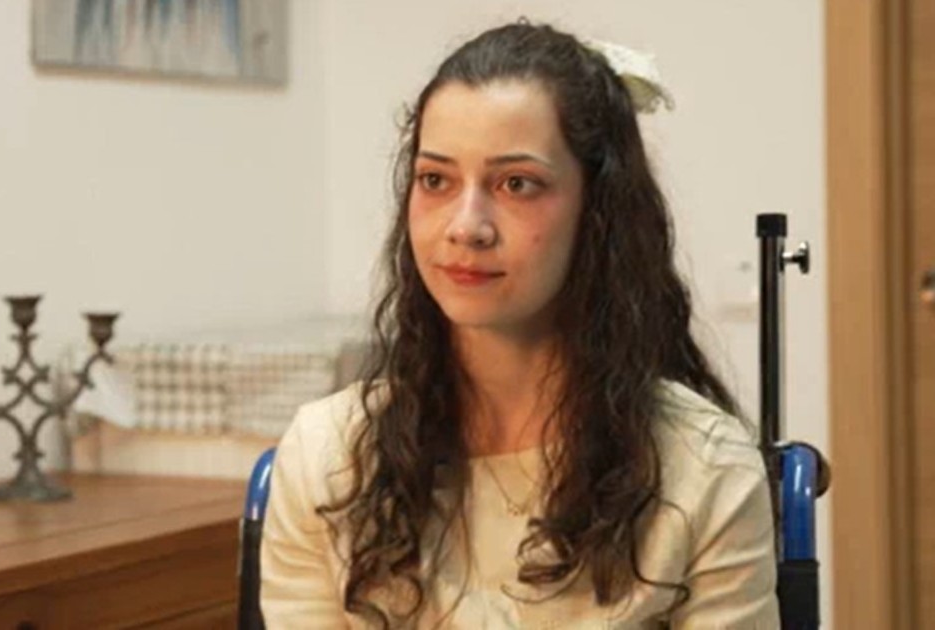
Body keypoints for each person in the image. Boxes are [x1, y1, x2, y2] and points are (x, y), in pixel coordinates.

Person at [261, 21, 777, 628]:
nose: (466, 226)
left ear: (598, 211)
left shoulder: (705, 471)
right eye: (435, 180)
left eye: (516, 184)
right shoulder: (327, 458)